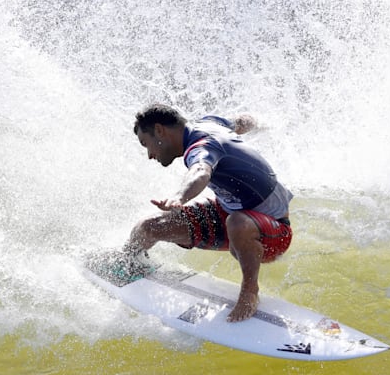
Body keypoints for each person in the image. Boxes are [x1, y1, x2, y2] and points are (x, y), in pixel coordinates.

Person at [120, 103, 293, 322]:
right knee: (147, 228)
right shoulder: (210, 123)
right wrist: (264, 123)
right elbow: (241, 121)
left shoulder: (201, 146)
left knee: (238, 223)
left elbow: (201, 171)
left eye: (147, 144)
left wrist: (180, 197)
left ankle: (250, 292)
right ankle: (127, 264)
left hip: (273, 231)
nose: (149, 155)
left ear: (160, 130)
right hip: (229, 213)